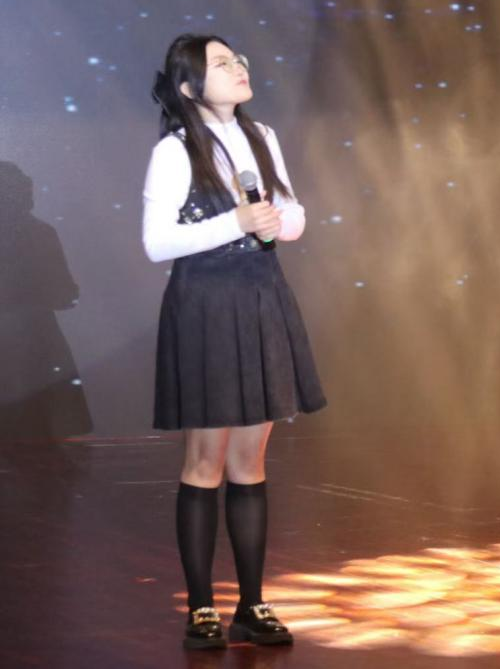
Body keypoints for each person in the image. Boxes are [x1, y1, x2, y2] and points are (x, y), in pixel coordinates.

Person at [143, 34, 326, 648]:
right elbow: (156, 242)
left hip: (261, 296)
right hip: (206, 305)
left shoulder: (262, 136)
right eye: (221, 64)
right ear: (190, 87)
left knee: (250, 462)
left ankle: (252, 604)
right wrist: (236, 221)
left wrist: (280, 219)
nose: (238, 68)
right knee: (206, 463)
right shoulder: (175, 150)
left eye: (237, 59)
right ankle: (201, 609)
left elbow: (291, 212)